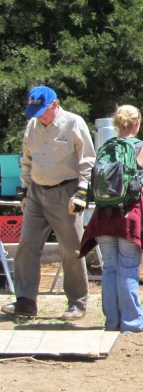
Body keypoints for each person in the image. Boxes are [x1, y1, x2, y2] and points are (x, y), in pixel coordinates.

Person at [3, 86, 96, 320]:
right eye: (36, 112)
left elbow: (87, 159)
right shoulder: (32, 126)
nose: (40, 116)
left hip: (65, 192)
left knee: (72, 248)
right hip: (36, 191)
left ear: (55, 104)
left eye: (44, 111)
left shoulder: (73, 123)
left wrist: (82, 191)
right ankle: (26, 301)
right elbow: (27, 159)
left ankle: (77, 303)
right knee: (27, 245)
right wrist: (24, 191)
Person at [79, 105, 143, 333]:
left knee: (110, 269)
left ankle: (112, 321)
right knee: (128, 268)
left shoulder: (105, 147)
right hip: (129, 218)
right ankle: (132, 322)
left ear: (117, 124)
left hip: (103, 216)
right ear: (137, 123)